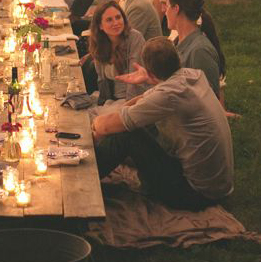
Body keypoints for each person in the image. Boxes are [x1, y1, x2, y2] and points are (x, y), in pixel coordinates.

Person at [92, 37, 234, 211]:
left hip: (196, 193)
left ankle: (86, 177)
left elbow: (105, 126)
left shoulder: (170, 95)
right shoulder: (192, 76)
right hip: (217, 186)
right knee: (131, 122)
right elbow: (144, 99)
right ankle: (92, 166)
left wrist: (97, 125)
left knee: (128, 133)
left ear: (151, 74)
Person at [157, 0, 226, 79]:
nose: (164, 11)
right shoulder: (178, 42)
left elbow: (206, 93)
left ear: (176, 8)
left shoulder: (200, 51)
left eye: (166, 5)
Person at [89, 1, 146, 110]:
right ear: (100, 26)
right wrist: (102, 104)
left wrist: (125, 109)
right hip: (111, 100)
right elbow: (101, 80)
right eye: (109, 20)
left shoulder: (135, 38)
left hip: (132, 101)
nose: (116, 23)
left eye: (118, 17)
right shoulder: (100, 43)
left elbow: (135, 84)